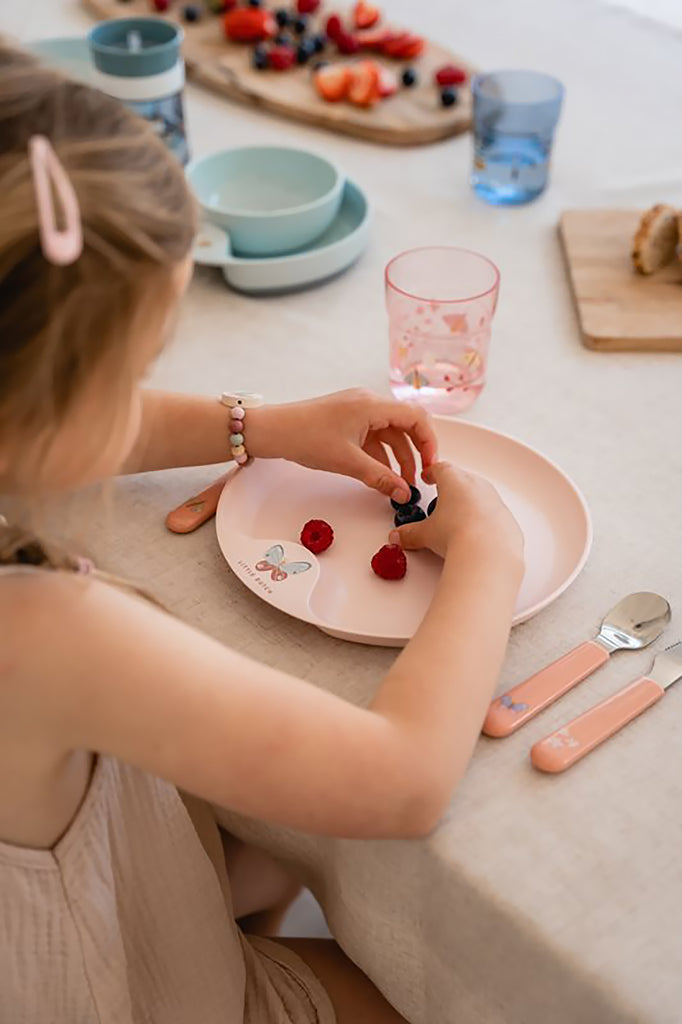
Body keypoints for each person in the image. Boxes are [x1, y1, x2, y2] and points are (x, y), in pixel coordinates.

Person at [0, 42, 524, 1024]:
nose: (137, 393)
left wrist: (256, 425)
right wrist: (489, 551)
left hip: (120, 885)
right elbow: (402, 782)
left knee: (268, 859)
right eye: (129, 371)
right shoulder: (41, 633)